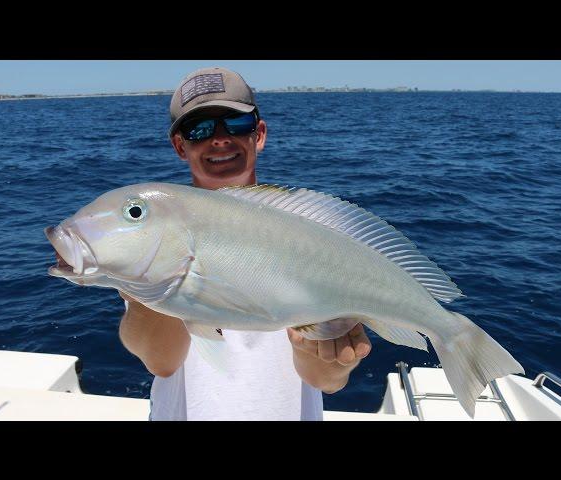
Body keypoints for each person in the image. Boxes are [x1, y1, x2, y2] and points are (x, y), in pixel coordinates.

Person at [118, 67, 372, 420]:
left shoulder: (311, 236)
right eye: (200, 129)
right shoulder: (157, 235)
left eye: (235, 124)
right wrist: (144, 286)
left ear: (260, 134)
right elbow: (160, 360)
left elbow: (324, 380)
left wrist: (334, 358)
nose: (219, 139)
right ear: (180, 146)